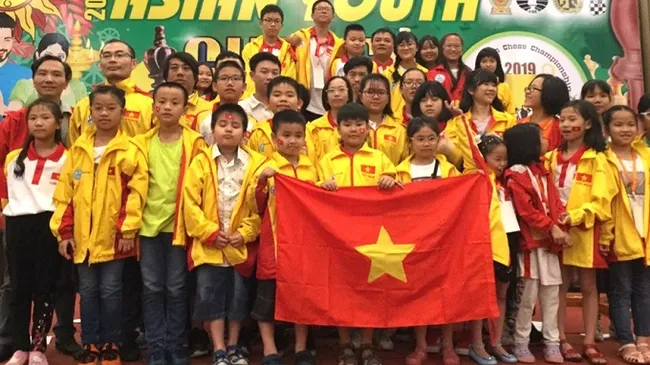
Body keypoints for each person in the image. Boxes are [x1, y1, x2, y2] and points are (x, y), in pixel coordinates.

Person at [50, 85, 148, 365]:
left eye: (111, 108)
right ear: (89, 112)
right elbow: (64, 195)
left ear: (122, 112)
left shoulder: (130, 150)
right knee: (89, 292)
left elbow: (136, 193)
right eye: (98, 108)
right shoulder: (78, 149)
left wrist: (127, 229)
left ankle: (111, 342)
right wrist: (64, 233)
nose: (104, 113)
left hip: (115, 239)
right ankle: (90, 341)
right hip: (82, 239)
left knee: (112, 291)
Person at [0, 55, 82, 359]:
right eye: (42, 73)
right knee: (16, 285)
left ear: (66, 81)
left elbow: (76, 179)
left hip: (55, 222)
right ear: (33, 79)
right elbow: (3, 167)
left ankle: (50, 340)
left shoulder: (74, 123)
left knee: (58, 283)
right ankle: (13, 340)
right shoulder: (14, 121)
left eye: (56, 74)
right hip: (18, 221)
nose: (49, 79)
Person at [183, 103, 267, 365]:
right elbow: (190, 204)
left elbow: (259, 207)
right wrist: (209, 232)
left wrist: (246, 233)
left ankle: (234, 345)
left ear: (244, 133)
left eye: (235, 126)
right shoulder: (200, 162)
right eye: (222, 125)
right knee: (210, 297)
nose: (228, 130)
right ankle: (218, 347)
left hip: (240, 246)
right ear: (213, 130)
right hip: (210, 247)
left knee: (238, 298)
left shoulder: (257, 163)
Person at [317, 102, 400, 365]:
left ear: (367, 128)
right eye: (347, 124)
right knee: (340, 291)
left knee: (369, 291)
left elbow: (398, 186)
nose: (354, 129)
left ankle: (366, 345)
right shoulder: (326, 160)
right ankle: (344, 346)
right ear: (338, 128)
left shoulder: (379, 159)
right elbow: (311, 195)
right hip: (336, 238)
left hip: (372, 238)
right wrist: (322, 186)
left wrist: (389, 179)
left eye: (359, 124)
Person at [131, 82, 206, 365]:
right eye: (161, 101)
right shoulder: (141, 143)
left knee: (176, 288)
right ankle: (156, 348)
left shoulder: (196, 143)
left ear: (185, 110)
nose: (167, 107)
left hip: (180, 228)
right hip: (147, 227)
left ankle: (176, 346)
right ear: (153, 107)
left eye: (175, 102)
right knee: (151, 288)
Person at [547, 100, 616, 365]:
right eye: (562, 119)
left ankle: (588, 341)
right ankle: (561, 339)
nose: (565, 125)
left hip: (585, 231)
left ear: (587, 123)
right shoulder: (551, 156)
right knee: (559, 286)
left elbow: (602, 200)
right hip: (555, 231)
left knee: (589, 286)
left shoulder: (598, 158)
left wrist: (575, 216)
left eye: (571, 119)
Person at [1, 99, 67, 365]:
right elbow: (5, 193)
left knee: (45, 289)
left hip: (49, 227)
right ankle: (19, 346)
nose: (38, 123)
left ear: (58, 123)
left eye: (45, 118)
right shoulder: (13, 158)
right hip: (18, 227)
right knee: (18, 289)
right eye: (33, 119)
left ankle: (38, 346)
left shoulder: (68, 158)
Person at [253, 110, 319, 365]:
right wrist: (260, 183)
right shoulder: (266, 168)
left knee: (301, 299)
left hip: (304, 246)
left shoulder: (312, 169)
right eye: (286, 135)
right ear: (274, 137)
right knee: (266, 300)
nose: (292, 141)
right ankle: (269, 349)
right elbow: (254, 206)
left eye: (298, 136)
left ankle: (301, 347)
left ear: (305, 139)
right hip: (274, 245)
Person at [396, 117, 460, 365]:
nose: (426, 144)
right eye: (420, 139)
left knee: (447, 295)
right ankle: (421, 345)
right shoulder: (399, 171)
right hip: (413, 242)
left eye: (431, 138)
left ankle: (448, 346)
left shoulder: (449, 169)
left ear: (439, 140)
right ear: (410, 142)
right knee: (419, 295)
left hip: (445, 240)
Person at [503, 123, 569, 364]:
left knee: (551, 295)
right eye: (541, 137)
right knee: (527, 297)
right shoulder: (515, 175)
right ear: (528, 144)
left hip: (549, 244)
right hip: (530, 246)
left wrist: (561, 223)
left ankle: (551, 342)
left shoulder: (543, 170)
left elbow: (554, 201)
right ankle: (521, 341)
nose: (546, 139)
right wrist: (551, 227)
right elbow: (526, 211)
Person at [601, 105, 650, 364]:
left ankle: (644, 340)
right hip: (620, 234)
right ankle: (626, 342)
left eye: (630, 124)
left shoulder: (645, 155)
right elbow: (604, 201)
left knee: (644, 289)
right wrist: (606, 236)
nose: (625, 129)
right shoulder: (602, 158)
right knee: (620, 290)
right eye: (618, 124)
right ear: (606, 129)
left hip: (645, 236)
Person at [68, 39, 154, 145]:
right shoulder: (83, 106)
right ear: (100, 64)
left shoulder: (149, 105)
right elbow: (74, 149)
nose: (112, 60)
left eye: (119, 55)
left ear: (134, 63)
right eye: (107, 55)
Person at [444, 69, 516, 166]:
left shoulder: (507, 120)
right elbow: (455, 157)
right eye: (486, 84)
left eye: (494, 85)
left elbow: (513, 153)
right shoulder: (457, 121)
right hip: (471, 176)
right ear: (471, 90)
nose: (491, 89)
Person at [287, 0, 342, 121]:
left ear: (333, 16)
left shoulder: (339, 45)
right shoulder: (300, 37)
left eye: (327, 9)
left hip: (329, 100)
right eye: (319, 9)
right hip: (304, 100)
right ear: (312, 15)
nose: (323, 11)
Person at [7, 33, 87, 112]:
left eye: (60, 57)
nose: (54, 61)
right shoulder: (24, 85)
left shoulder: (77, 86)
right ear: (38, 55)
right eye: (48, 55)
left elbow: (85, 118)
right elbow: (12, 117)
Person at [242, 5, 297, 97]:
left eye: (276, 21)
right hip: (254, 99)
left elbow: (290, 78)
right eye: (268, 20)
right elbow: (248, 76)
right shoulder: (250, 48)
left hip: (280, 98)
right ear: (261, 23)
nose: (272, 24)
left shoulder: (288, 50)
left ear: (281, 25)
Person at [248, 76, 304, 158]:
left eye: (289, 95)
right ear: (267, 102)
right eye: (277, 95)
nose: (283, 99)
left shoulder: (310, 133)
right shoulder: (258, 133)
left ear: (299, 103)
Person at [358, 74, 408, 166]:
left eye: (381, 93)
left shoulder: (399, 131)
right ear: (361, 96)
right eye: (370, 92)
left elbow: (406, 163)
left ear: (388, 98)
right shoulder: (351, 128)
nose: (376, 97)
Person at [200, 61, 255, 145]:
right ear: (214, 86)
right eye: (224, 78)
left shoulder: (252, 123)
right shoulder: (201, 118)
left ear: (244, 87)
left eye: (236, 78)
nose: (230, 83)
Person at [306, 76, 353, 163]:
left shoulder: (358, 125)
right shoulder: (313, 128)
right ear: (326, 98)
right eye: (331, 90)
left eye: (341, 90)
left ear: (349, 96)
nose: (336, 94)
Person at [163, 52, 213, 131]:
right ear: (165, 76)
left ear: (195, 77)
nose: (180, 73)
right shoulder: (154, 107)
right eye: (174, 68)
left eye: (186, 68)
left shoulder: (209, 109)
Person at [519, 74, 569, 151]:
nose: (527, 92)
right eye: (528, 88)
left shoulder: (560, 128)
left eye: (533, 88)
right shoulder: (518, 124)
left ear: (549, 94)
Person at [382, 31, 428, 114]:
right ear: (396, 49)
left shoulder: (426, 73)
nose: (406, 48)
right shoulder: (387, 74)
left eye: (410, 44)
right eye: (401, 45)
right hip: (394, 121)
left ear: (417, 47)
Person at [0, 14, 31, 118]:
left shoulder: (26, 76)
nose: (1, 46)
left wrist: (3, 109)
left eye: (7, 40)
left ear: (13, 40)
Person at [427, 33, 471, 102]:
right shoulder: (432, 74)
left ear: (462, 50)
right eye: (449, 46)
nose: (453, 49)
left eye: (457, 46)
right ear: (442, 49)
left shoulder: (469, 73)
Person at [240, 52, 281, 122]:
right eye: (264, 72)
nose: (270, 77)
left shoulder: (285, 107)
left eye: (275, 73)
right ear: (252, 75)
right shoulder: (241, 108)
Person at [474, 47, 514, 115]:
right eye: (484, 61)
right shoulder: (473, 85)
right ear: (478, 64)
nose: (488, 65)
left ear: (497, 63)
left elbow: (511, 112)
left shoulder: (504, 87)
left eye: (492, 61)